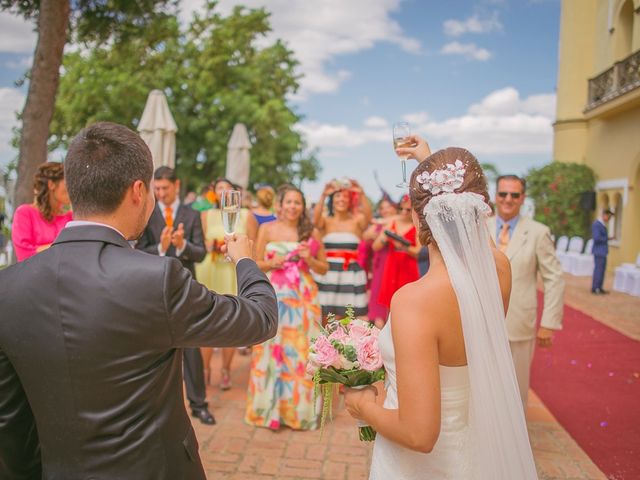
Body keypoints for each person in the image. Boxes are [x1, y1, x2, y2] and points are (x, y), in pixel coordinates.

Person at [0, 122, 278, 480]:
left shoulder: (7, 287)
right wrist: (245, 260)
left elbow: (10, 424)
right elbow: (259, 319)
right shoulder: (157, 279)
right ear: (137, 191)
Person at [344, 137, 538, 479]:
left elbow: (419, 435)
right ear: (482, 209)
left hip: (417, 467)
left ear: (419, 217)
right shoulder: (500, 270)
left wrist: (363, 406)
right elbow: (474, 235)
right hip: (476, 451)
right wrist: (430, 158)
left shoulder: (413, 302)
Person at [245, 185, 329, 430]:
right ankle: (268, 411)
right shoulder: (266, 228)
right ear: (279, 205)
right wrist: (272, 262)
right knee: (271, 349)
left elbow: (324, 267)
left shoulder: (310, 231)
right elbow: (255, 263)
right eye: (289, 202)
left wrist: (309, 259)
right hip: (274, 297)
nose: (293, 207)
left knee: (301, 353)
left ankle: (300, 413)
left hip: (303, 300)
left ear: (303, 206)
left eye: (297, 202)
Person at [135, 166, 213, 425]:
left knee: (191, 347)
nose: (160, 193)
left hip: (185, 288)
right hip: (152, 289)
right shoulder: (145, 212)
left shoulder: (191, 214)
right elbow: (136, 251)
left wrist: (182, 246)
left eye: (164, 188)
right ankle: (154, 408)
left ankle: (199, 404)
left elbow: (201, 253)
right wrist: (161, 247)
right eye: (156, 189)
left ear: (176, 185)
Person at [487, 174, 564, 409]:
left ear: (523, 198)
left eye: (514, 194)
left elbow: (554, 278)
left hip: (519, 323)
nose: (508, 199)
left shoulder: (539, 232)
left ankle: (514, 442)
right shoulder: (480, 227)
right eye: (503, 194)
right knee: (484, 387)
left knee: (516, 390)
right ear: (495, 196)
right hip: (481, 323)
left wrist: (549, 322)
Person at [196, 177, 259, 389]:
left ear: (235, 193)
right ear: (214, 193)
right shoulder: (206, 215)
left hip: (232, 272)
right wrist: (209, 245)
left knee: (230, 321)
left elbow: (254, 246)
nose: (223, 192)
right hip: (210, 270)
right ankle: (205, 370)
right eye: (218, 189)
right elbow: (200, 243)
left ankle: (225, 370)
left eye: (227, 189)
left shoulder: (247, 215)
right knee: (207, 322)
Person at [312, 178, 372, 319]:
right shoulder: (326, 221)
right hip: (328, 274)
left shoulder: (356, 221)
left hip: (350, 274)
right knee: (325, 317)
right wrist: (323, 195)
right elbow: (315, 220)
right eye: (338, 196)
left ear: (350, 201)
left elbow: (368, 217)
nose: (341, 199)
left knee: (348, 318)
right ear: (332, 200)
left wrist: (361, 193)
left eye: (345, 197)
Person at [11, 162, 73, 261]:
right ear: (51, 184)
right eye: (67, 182)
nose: (71, 187)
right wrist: (66, 246)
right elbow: (24, 255)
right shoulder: (25, 213)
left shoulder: (71, 217)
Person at [375, 194, 421, 310]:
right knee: (389, 305)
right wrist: (385, 238)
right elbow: (375, 246)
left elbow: (418, 252)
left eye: (408, 210)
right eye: (401, 209)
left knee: (409, 305)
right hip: (392, 266)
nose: (404, 212)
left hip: (409, 267)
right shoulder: (392, 223)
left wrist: (404, 247)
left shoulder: (416, 227)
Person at [360, 195, 398, 327]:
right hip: (378, 266)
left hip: (394, 265)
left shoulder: (397, 222)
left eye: (389, 206)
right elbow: (365, 237)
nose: (386, 210)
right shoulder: (377, 225)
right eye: (382, 207)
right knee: (377, 307)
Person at [591, 209, 614, 294]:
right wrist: (607, 238)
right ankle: (596, 288)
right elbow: (597, 238)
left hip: (602, 251)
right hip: (599, 251)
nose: (609, 219)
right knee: (598, 270)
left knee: (601, 270)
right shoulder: (597, 224)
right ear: (605, 215)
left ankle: (599, 287)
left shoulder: (601, 224)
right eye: (609, 217)